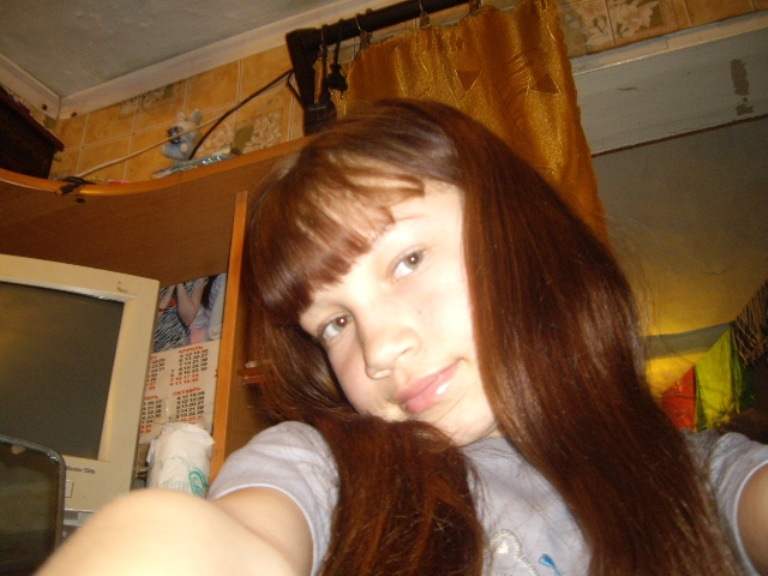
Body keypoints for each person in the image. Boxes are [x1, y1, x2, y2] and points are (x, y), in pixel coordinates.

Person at [38, 99, 768, 576]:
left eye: (408, 260)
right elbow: (220, 541)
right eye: (335, 323)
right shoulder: (328, 471)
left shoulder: (698, 477)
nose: (380, 350)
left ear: (515, 232)